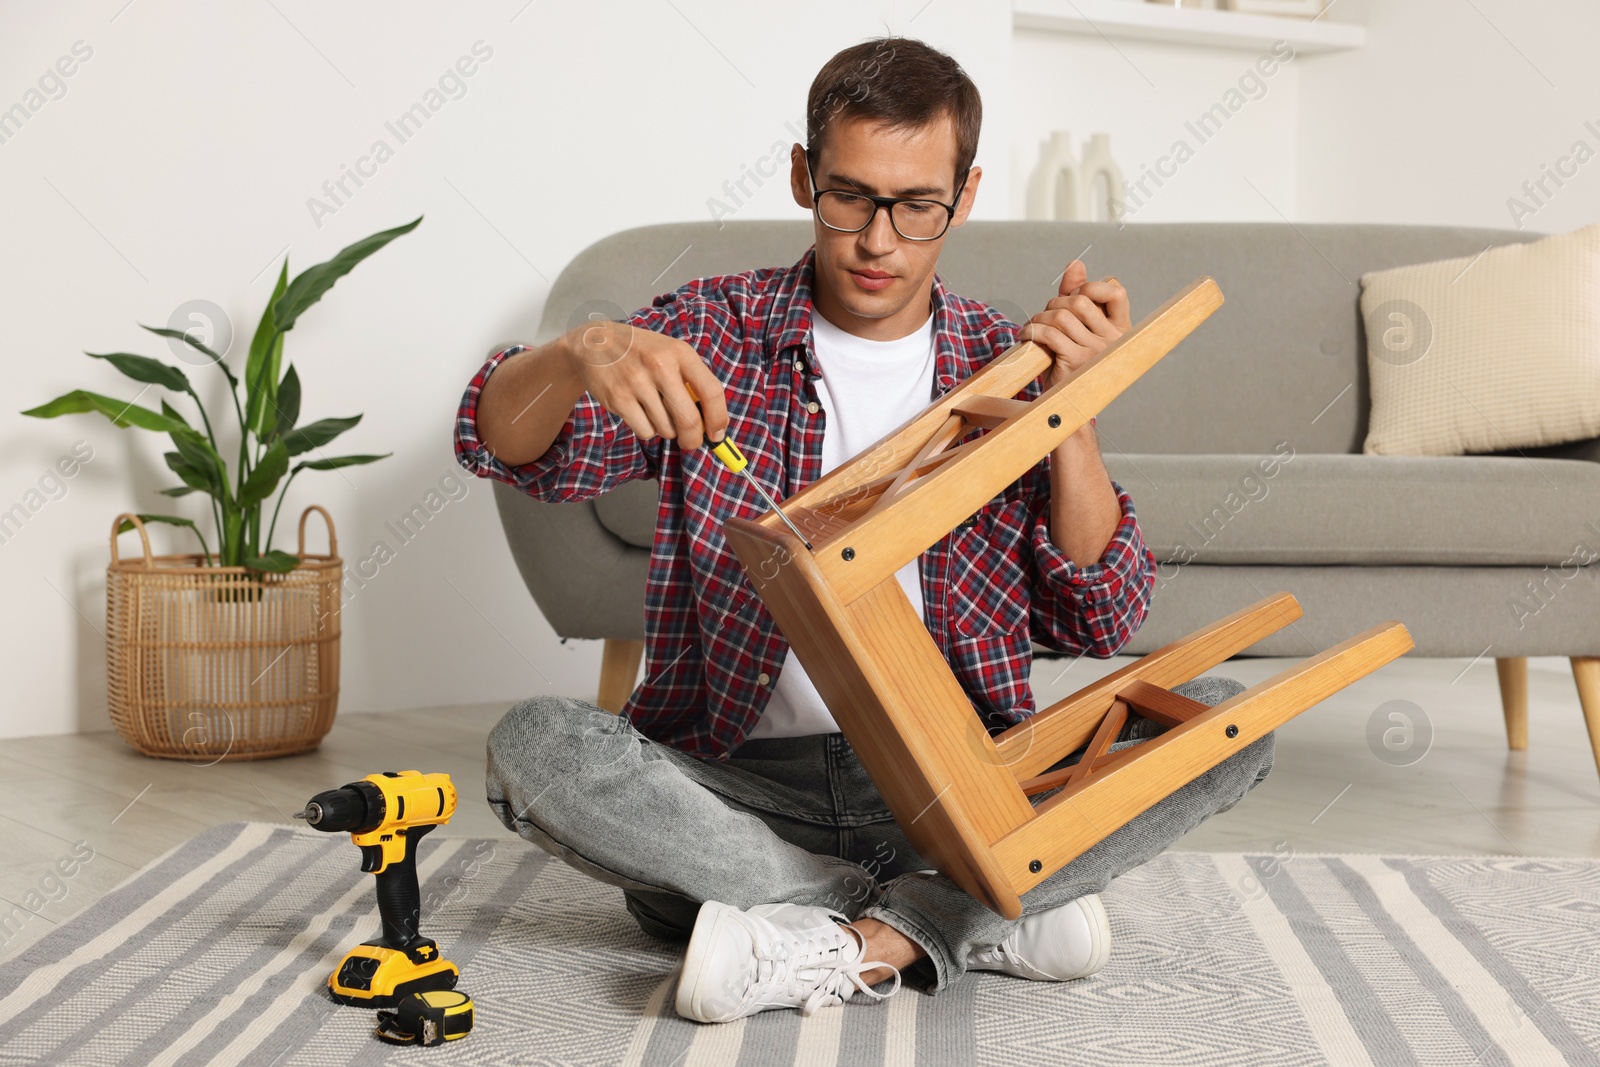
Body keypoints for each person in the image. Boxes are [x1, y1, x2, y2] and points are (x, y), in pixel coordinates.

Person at [454, 36, 1274, 1024]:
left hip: (950, 793)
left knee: (1232, 715)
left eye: (916, 205)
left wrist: (1075, 414)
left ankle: (838, 935)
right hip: (736, 791)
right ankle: (969, 917)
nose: (879, 240)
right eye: (849, 196)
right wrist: (579, 351)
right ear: (803, 176)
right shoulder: (715, 329)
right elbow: (505, 445)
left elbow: (1103, 613)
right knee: (534, 743)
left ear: (963, 196)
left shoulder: (1001, 359)